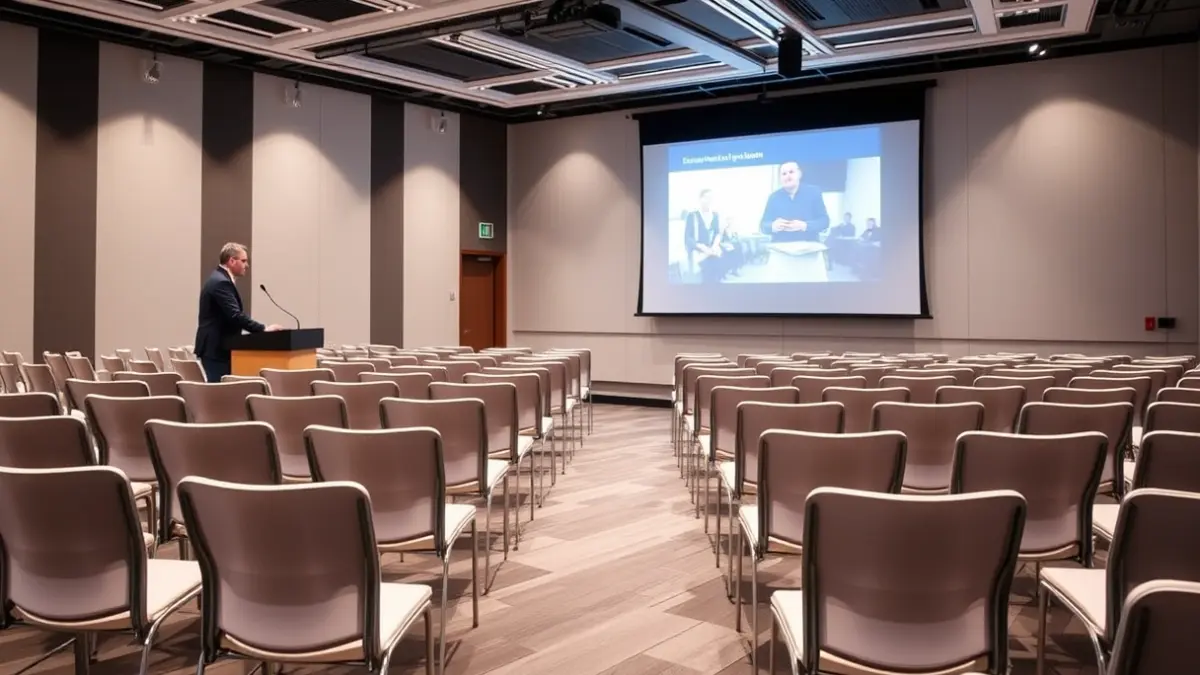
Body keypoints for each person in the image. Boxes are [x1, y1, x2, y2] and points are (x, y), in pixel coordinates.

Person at [195, 243, 282, 382]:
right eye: (243, 261)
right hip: (216, 350)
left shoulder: (220, 278)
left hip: (218, 348)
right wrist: (263, 329)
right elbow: (235, 316)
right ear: (231, 261)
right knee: (220, 394)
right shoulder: (221, 282)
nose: (246, 265)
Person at [758, 161, 830, 242]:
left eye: (791, 172)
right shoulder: (773, 197)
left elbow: (824, 221)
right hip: (781, 248)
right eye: (784, 174)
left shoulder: (814, 192)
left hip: (808, 248)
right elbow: (763, 225)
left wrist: (805, 226)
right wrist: (773, 226)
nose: (788, 176)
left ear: (799, 174)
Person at [683, 189, 725, 283]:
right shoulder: (692, 215)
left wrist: (715, 245)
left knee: (720, 262)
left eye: (710, 198)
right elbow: (687, 238)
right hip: (699, 251)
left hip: (712, 250)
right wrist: (701, 247)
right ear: (700, 199)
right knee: (709, 269)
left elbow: (717, 233)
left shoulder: (715, 215)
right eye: (705, 197)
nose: (708, 200)